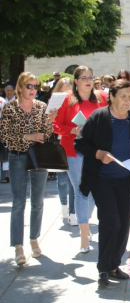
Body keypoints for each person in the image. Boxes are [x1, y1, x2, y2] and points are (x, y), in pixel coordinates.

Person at [74, 79, 130, 287]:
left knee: (124, 224)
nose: (127, 100)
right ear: (112, 97)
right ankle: (104, 268)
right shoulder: (99, 117)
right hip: (102, 179)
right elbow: (80, 142)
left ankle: (115, 265)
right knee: (111, 220)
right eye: (123, 96)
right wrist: (98, 153)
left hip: (126, 179)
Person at [0, 72, 58, 266]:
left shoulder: (41, 107)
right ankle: (18, 246)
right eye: (29, 86)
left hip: (38, 157)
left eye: (35, 86)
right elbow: (4, 136)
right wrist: (28, 137)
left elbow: (47, 132)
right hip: (17, 157)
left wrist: (50, 120)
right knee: (18, 202)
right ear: (20, 87)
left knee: (37, 201)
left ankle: (34, 239)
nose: (33, 90)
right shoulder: (10, 108)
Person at [53, 66, 108, 253]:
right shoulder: (67, 100)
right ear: (76, 81)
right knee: (80, 191)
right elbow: (56, 125)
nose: (88, 80)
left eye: (90, 77)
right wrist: (72, 130)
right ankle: (84, 234)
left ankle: (85, 222)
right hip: (73, 150)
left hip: (95, 151)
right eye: (83, 77)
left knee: (92, 191)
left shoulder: (102, 98)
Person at [51, 77, 76, 223]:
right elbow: (51, 127)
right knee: (61, 181)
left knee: (73, 181)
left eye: (69, 91)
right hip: (57, 145)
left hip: (71, 144)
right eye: (63, 91)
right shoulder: (53, 105)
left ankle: (73, 213)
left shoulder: (74, 104)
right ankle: (64, 206)